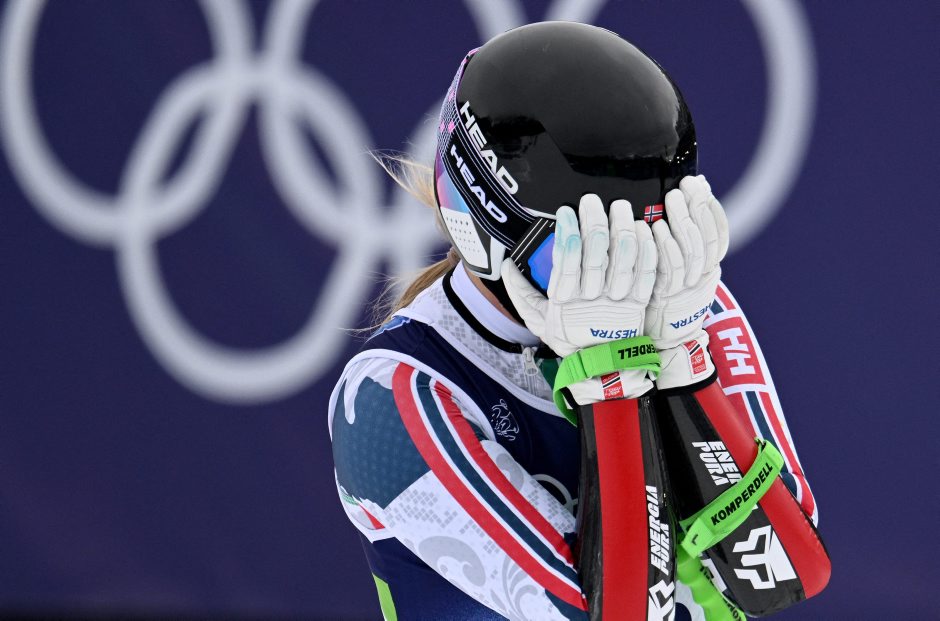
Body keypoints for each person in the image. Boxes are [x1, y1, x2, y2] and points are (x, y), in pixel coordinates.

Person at [329, 22, 826, 620]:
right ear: (483, 228)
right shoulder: (392, 394)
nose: (622, 278)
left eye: (645, 242)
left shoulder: (683, 301)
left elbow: (785, 575)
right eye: (581, 252)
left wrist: (684, 369)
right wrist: (610, 377)